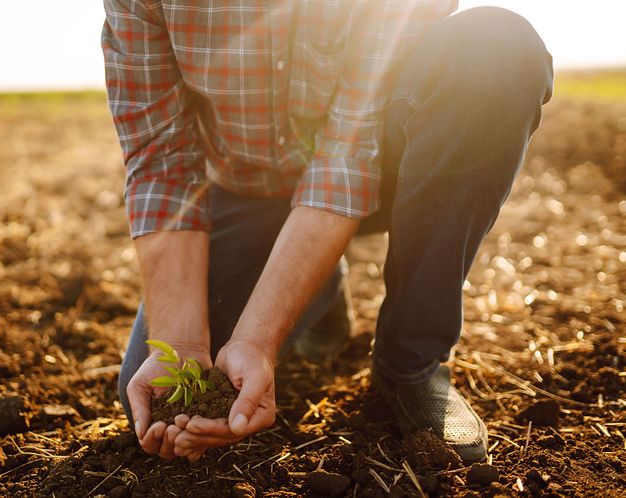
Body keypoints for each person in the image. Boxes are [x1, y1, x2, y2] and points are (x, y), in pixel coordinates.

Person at [101, 0, 553, 463]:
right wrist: (180, 344)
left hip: (380, 166)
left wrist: (257, 341)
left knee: (495, 49)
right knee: (161, 399)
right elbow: (164, 166)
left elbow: (346, 157)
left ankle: (411, 362)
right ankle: (319, 289)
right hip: (243, 190)